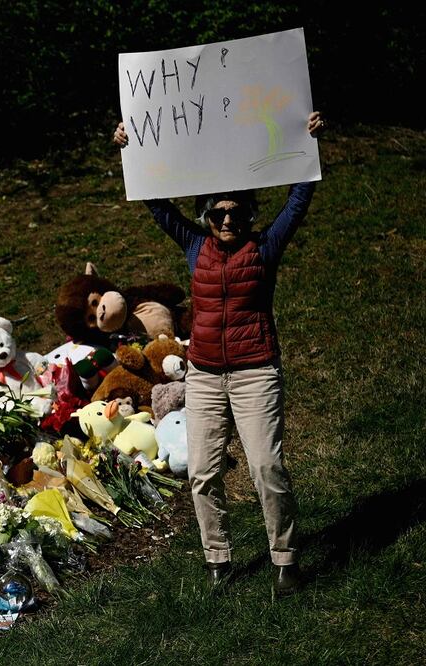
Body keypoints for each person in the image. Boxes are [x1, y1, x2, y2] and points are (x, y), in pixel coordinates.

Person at [112, 111, 325, 595]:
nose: (227, 219)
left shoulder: (265, 247)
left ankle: (285, 560)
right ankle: (217, 559)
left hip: (255, 373)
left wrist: (309, 142)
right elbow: (156, 203)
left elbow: (298, 199)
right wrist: (131, 147)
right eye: (217, 213)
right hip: (204, 375)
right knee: (203, 472)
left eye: (236, 212)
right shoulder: (194, 245)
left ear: (249, 215)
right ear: (206, 216)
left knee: (266, 468)